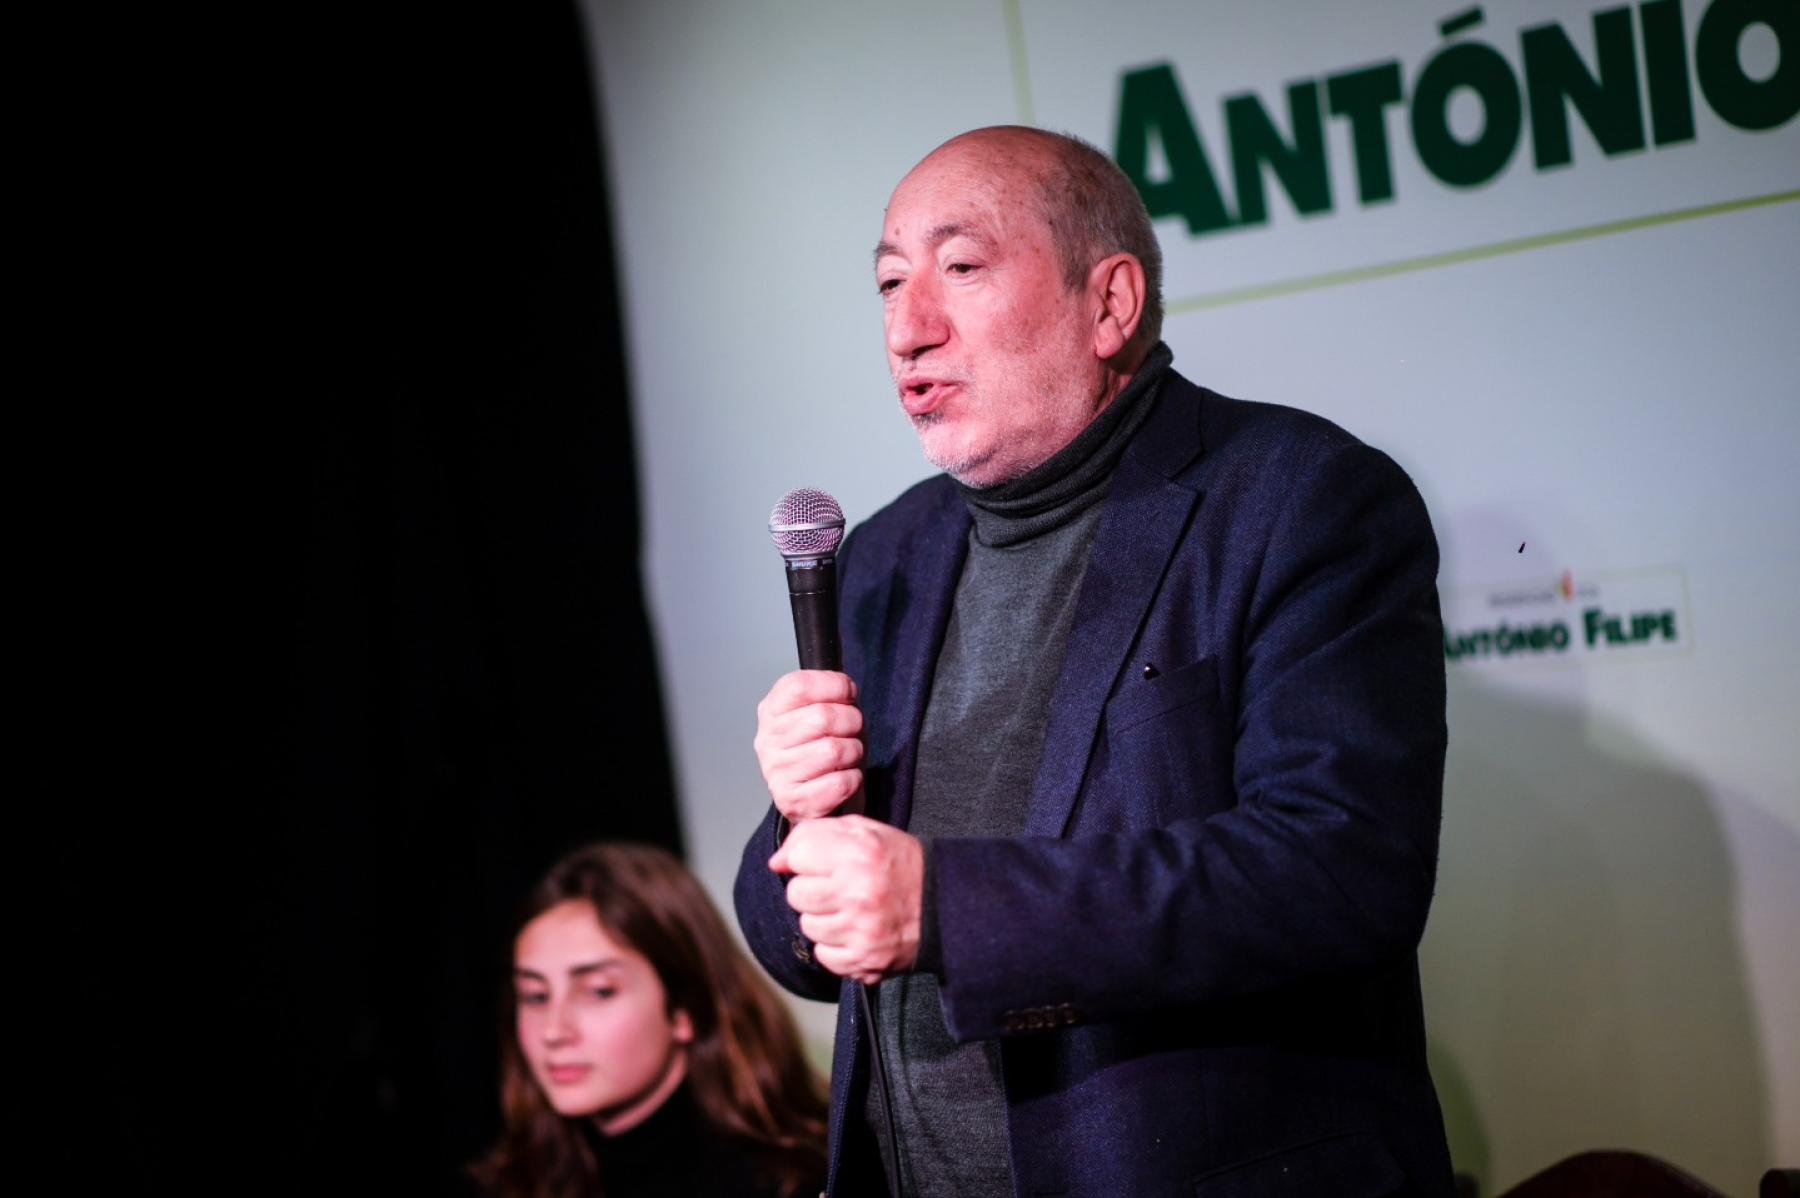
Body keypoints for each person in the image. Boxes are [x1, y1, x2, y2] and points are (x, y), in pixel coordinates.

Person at [733, 125, 1456, 1197]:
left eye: (960, 268)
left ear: (1110, 303)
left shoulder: (1300, 499)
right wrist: (801, 821)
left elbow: (1342, 869)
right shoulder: (884, 559)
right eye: (888, 283)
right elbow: (788, 938)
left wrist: (947, 907)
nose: (908, 329)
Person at [475, 842, 827, 1198]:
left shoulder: (799, 1180)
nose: (553, 1031)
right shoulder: (516, 1180)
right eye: (535, 995)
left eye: (599, 991)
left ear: (685, 1010)